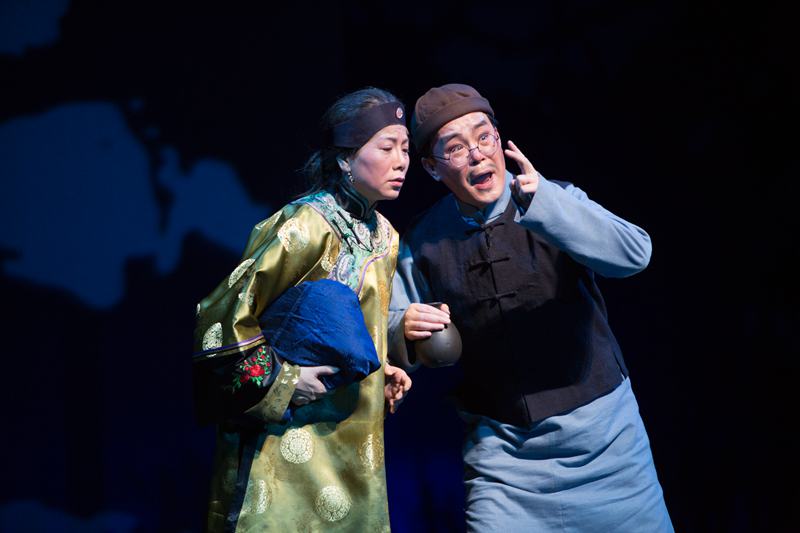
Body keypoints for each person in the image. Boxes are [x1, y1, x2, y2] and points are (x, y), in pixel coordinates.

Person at [389, 83, 673, 532]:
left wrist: (546, 202)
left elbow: (635, 253)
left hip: (608, 446)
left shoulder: (555, 198)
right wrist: (404, 324)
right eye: (456, 148)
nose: (478, 155)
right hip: (505, 459)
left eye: (484, 137)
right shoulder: (423, 240)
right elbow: (391, 323)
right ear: (431, 167)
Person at [193, 87, 412, 532]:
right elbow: (222, 316)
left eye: (406, 148)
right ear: (345, 158)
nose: (401, 161)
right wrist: (283, 381)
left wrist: (382, 365)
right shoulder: (305, 225)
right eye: (387, 147)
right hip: (284, 435)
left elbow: (356, 326)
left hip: (353, 437)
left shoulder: (386, 237)